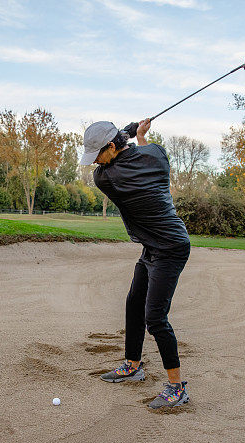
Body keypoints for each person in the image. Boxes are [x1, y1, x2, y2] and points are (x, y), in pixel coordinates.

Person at [80, 118, 191, 409]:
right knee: (133, 304)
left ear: (112, 147)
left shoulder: (107, 178)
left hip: (170, 249)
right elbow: (142, 151)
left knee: (155, 317)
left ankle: (177, 388)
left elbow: (113, 161)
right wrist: (139, 136)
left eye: (98, 156)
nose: (95, 164)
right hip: (155, 245)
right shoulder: (156, 156)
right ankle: (133, 365)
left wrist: (129, 132)